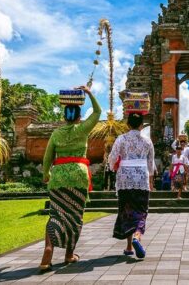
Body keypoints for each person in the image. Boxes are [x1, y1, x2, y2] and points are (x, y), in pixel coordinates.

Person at [39, 86, 100, 271]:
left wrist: (45, 174)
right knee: (75, 216)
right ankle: (68, 254)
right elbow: (98, 112)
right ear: (79, 117)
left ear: (64, 116)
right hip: (78, 176)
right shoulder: (82, 129)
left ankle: (48, 251)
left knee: (55, 214)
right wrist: (89, 93)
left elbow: (47, 157)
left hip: (58, 177)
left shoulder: (56, 133)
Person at [108, 93, 155, 259]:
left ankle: (129, 247)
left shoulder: (121, 139)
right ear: (142, 125)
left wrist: (113, 168)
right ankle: (136, 237)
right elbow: (151, 164)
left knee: (127, 211)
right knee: (141, 211)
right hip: (141, 178)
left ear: (128, 124)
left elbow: (112, 158)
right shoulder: (147, 141)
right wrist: (150, 181)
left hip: (124, 179)